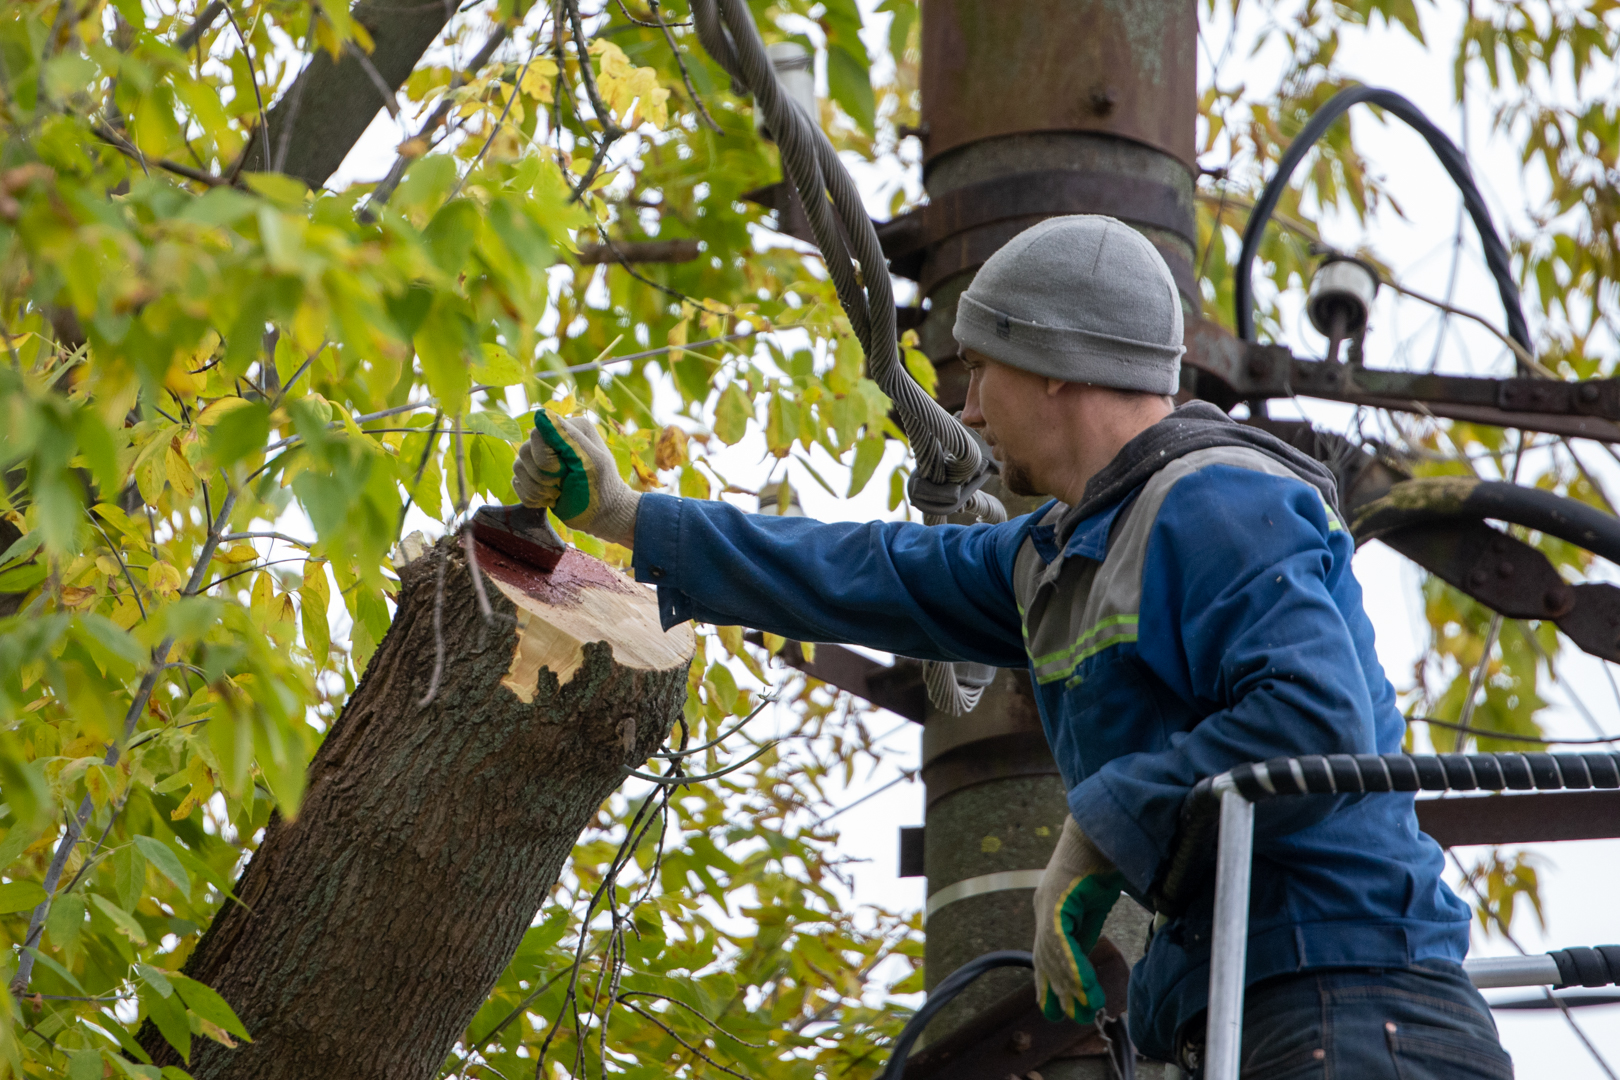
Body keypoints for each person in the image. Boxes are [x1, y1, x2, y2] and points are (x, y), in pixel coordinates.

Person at [511, 215, 1511, 1079]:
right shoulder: (1060, 554)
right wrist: (626, 514)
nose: (973, 408)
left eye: (982, 367)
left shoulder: (1223, 500)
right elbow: (866, 570)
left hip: (1356, 1008)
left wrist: (1094, 836)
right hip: (1255, 1016)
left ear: (1060, 367)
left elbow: (1314, 722)